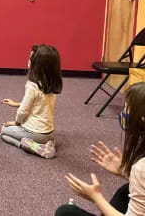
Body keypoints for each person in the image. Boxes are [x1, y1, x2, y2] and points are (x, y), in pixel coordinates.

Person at [55, 82, 145, 216]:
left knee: (65, 212)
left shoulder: (142, 167)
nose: (123, 114)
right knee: (126, 191)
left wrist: (96, 197)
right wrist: (127, 173)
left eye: (127, 109)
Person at [0, 44, 62, 158]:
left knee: (3, 131)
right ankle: (47, 144)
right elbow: (40, 104)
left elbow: (23, 111)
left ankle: (29, 146)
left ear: (38, 65)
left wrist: (16, 123)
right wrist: (16, 104)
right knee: (6, 132)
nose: (28, 60)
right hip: (49, 134)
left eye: (30, 58)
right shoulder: (52, 85)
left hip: (34, 133)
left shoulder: (32, 85)